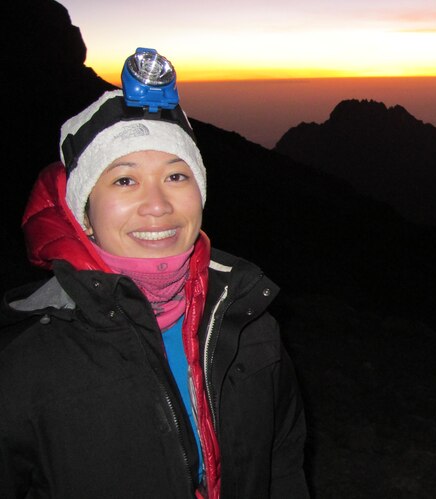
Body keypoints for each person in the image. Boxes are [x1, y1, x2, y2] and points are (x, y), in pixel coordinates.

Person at [0, 48, 309, 498]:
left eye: (176, 177)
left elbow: (282, 459)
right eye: (125, 180)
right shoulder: (25, 359)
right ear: (83, 213)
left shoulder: (249, 321)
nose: (158, 205)